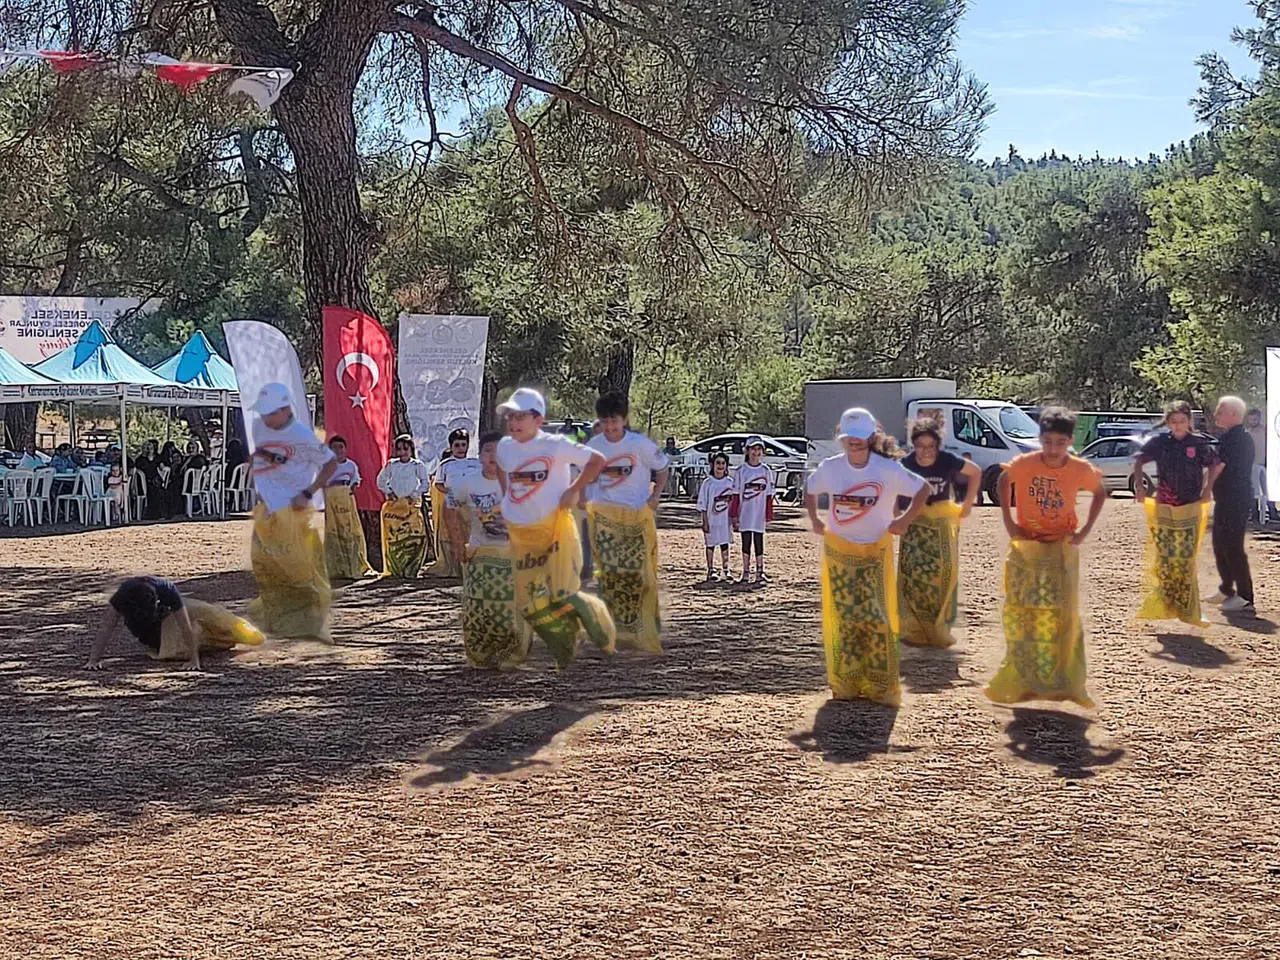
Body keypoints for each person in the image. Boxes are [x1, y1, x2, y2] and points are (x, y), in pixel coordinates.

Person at [805, 408, 929, 705]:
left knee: (877, 618)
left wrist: (904, 520)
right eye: (850, 438)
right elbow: (810, 489)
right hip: (839, 552)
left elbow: (922, 489)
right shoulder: (831, 468)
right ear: (842, 437)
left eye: (860, 438)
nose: (855, 443)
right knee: (845, 618)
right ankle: (846, 683)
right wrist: (815, 520)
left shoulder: (887, 469)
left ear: (871, 437)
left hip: (876, 551)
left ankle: (879, 683)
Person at [987, 407, 1106, 708]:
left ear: (1069, 442)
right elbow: (1004, 480)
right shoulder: (1025, 463)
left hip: (1061, 546)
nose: (1053, 449)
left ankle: (1063, 678)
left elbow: (1100, 491)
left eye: (1060, 443)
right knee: (1022, 609)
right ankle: (1021, 676)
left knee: (1061, 611)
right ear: (1040, 439)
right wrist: (1009, 521)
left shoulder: (1078, 468)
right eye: (1048, 441)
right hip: (1027, 544)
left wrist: (1084, 532)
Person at [495, 387, 616, 668]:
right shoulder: (505, 447)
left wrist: (574, 490)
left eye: (521, 416)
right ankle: (564, 647)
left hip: (556, 528)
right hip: (522, 534)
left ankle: (600, 627)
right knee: (528, 603)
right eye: (510, 416)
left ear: (539, 420)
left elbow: (597, 461)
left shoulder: (556, 445)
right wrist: (506, 496)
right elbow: (502, 468)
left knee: (563, 592)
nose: (513, 422)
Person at [247, 382, 336, 640]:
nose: (264, 418)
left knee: (302, 567)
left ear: (285, 410)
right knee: (265, 564)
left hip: (294, 510)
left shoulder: (302, 436)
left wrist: (308, 492)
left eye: (269, 412)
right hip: (268, 511)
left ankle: (313, 622)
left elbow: (330, 464)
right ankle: (278, 619)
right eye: (262, 412)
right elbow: (262, 450)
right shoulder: (259, 425)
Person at [585, 392, 670, 654]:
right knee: (611, 574)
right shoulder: (595, 445)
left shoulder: (640, 445)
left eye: (615, 421)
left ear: (625, 420)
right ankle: (614, 629)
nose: (611, 427)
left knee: (640, 573)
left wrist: (655, 495)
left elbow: (663, 468)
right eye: (606, 422)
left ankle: (643, 627)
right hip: (605, 516)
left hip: (636, 514)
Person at [448, 431, 531, 668]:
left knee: (512, 608)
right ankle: (480, 655)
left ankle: (511, 654)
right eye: (488, 450)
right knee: (477, 608)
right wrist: (457, 542)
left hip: (513, 556)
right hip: (480, 555)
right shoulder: (468, 483)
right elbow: (449, 506)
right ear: (480, 455)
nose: (494, 456)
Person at [898, 414, 982, 648]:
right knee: (913, 573)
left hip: (941, 518)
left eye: (931, 446)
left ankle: (939, 624)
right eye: (920, 446)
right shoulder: (906, 464)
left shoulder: (947, 461)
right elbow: (892, 489)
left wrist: (967, 504)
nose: (925, 451)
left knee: (944, 569)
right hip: (914, 521)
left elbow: (975, 472)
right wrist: (896, 515)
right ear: (913, 445)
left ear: (938, 445)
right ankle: (914, 628)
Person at [1133, 400, 1220, 626]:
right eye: (1173, 421)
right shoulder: (1161, 443)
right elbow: (1138, 460)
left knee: (1186, 558)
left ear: (1189, 421)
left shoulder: (1198, 443)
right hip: (1164, 506)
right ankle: (1162, 605)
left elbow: (1216, 465)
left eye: (1182, 421)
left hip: (1190, 504)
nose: (1178, 425)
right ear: (1168, 422)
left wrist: (1208, 490)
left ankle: (1191, 609)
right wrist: (1140, 487)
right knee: (1165, 558)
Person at [85, 576, 264, 671]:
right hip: (155, 633)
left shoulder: (167, 590)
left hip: (172, 614)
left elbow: (184, 622)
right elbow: (106, 628)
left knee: (208, 614)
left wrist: (194, 660)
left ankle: (246, 632)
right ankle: (218, 639)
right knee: (177, 649)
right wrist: (93, 659)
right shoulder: (123, 596)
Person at [1209, 396, 1256, 613]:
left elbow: (1219, 466)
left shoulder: (1237, 438)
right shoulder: (1229, 437)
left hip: (1235, 499)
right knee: (1220, 544)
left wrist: (1203, 489)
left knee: (1233, 546)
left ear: (1234, 415)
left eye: (1221, 411)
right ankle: (1227, 589)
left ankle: (1245, 596)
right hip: (1226, 498)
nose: (1216, 415)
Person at [377, 434, 433, 578]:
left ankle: (412, 566)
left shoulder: (417, 465)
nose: (403, 452)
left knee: (415, 535)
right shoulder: (391, 465)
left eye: (406, 448)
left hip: (411, 505)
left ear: (411, 449)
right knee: (395, 536)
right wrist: (389, 493)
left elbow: (425, 484)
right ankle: (396, 567)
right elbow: (380, 480)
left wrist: (413, 495)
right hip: (395, 507)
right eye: (399, 449)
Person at [324, 435, 372, 580]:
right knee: (333, 531)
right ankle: (336, 567)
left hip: (346, 502)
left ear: (345, 449)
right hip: (331, 502)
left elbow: (355, 480)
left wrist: (352, 489)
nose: (338, 451)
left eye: (341, 447)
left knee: (350, 531)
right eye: (334, 448)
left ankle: (353, 565)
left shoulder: (351, 465)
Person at [432, 428, 477, 577]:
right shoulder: (446, 465)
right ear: (451, 447)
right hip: (452, 503)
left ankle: (471, 565)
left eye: (463, 445)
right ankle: (452, 567)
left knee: (469, 532)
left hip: (469, 503)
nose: (460, 448)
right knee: (452, 533)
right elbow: (438, 484)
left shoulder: (475, 463)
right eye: (456, 445)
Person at [732, 437, 775, 584]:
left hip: (759, 512)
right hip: (745, 511)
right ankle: (745, 571)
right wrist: (734, 514)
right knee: (746, 541)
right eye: (753, 449)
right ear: (747, 451)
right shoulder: (742, 471)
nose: (756, 452)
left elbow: (769, 493)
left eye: (758, 449)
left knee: (758, 540)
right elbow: (736, 493)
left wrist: (769, 512)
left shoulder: (765, 471)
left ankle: (760, 570)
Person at [697, 452, 735, 581]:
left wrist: (734, 518)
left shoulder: (730, 482)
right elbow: (702, 503)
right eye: (718, 463)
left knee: (724, 543)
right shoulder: (708, 483)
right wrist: (704, 521)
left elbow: (734, 502)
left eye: (723, 463)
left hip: (725, 520)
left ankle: (726, 568)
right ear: (712, 465)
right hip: (711, 519)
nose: (720, 466)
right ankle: (711, 569)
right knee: (710, 544)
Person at [1247, 407, 1270, 525]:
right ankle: (1255, 513)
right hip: (1253, 463)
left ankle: (1272, 512)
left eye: (1255, 419)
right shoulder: (1248, 433)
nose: (1253, 422)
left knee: (1268, 489)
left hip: (1266, 463)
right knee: (1255, 490)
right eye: (1251, 420)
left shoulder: (1266, 431)